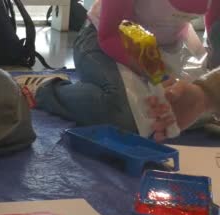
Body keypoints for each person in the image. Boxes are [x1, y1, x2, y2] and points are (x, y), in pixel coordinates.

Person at [16, 0, 220, 141]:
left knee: (190, 111)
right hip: (109, 41)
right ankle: (47, 90)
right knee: (124, 116)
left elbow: (217, 32)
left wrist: (208, 85)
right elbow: (110, 34)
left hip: (169, 47)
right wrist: (159, 75)